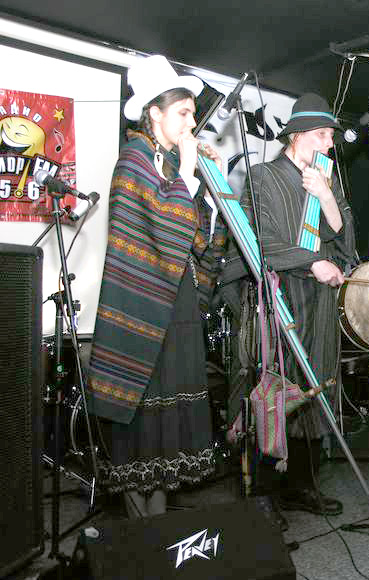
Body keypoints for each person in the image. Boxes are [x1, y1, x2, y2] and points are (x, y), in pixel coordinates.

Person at [87, 55, 226, 517]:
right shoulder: (134, 160)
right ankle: (139, 533)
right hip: (144, 310)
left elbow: (196, 236)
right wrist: (187, 171)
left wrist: (211, 181)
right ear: (154, 112)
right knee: (143, 423)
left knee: (168, 432)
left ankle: (158, 529)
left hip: (177, 306)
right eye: (183, 112)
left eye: (192, 113)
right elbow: (165, 224)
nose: (191, 123)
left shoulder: (166, 163)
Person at [219, 93, 355, 516]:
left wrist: (327, 197)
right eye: (323, 135)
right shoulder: (263, 176)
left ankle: (303, 485)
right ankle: (265, 496)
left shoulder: (328, 179)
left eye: (331, 136)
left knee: (316, 387)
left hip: (319, 303)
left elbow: (345, 240)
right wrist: (312, 260)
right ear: (297, 136)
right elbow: (257, 238)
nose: (330, 144)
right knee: (276, 390)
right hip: (280, 300)